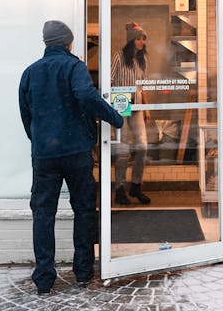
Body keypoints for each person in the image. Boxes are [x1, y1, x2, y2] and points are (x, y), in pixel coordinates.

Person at [19, 20, 124, 295]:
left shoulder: (30, 72)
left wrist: (41, 140)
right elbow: (86, 95)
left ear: (46, 42)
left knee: (43, 214)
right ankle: (82, 272)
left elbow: (26, 115)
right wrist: (114, 117)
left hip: (45, 155)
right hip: (76, 151)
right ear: (68, 42)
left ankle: (44, 278)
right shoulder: (74, 67)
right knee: (84, 209)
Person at [111, 22, 152, 205]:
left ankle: (136, 185)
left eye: (144, 38)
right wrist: (112, 107)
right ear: (131, 40)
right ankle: (119, 189)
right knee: (123, 150)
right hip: (121, 103)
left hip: (137, 106)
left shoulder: (142, 60)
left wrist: (146, 108)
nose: (142, 42)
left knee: (142, 147)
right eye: (138, 39)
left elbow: (142, 86)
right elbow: (109, 81)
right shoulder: (118, 57)